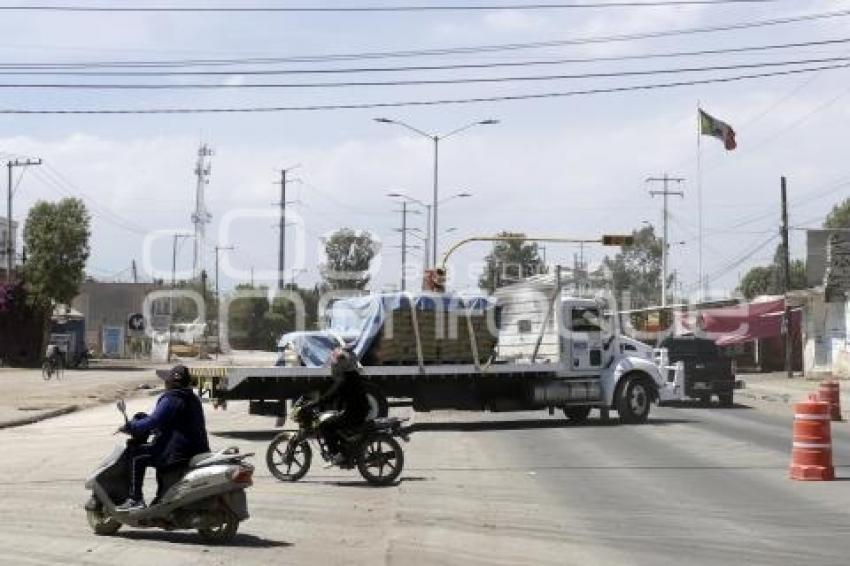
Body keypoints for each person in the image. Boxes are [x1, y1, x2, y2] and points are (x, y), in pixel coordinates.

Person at [116, 365, 210, 511]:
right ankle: (161, 496)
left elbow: (155, 420)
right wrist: (145, 422)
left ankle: (135, 499)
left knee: (136, 454)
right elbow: (170, 422)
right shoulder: (191, 398)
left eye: (167, 380)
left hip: (179, 451)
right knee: (155, 449)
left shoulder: (173, 398)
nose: (165, 383)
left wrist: (132, 427)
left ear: (171, 382)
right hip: (196, 449)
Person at [310, 349, 371, 464]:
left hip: (355, 413)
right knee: (335, 421)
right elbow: (338, 396)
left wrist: (316, 403)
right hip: (359, 410)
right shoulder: (353, 375)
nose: (334, 366)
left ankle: (337, 454)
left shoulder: (345, 379)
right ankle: (345, 447)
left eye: (336, 363)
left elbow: (332, 395)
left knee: (325, 426)